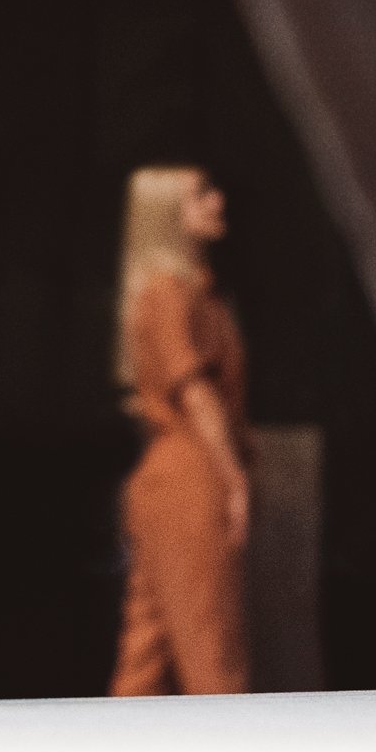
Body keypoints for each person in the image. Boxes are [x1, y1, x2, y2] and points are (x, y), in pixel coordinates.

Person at [109, 166, 252, 697]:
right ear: (171, 215)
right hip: (189, 474)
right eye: (201, 195)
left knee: (147, 652)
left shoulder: (193, 292)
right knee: (211, 650)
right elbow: (193, 390)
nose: (216, 201)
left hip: (173, 473)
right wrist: (232, 475)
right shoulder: (169, 293)